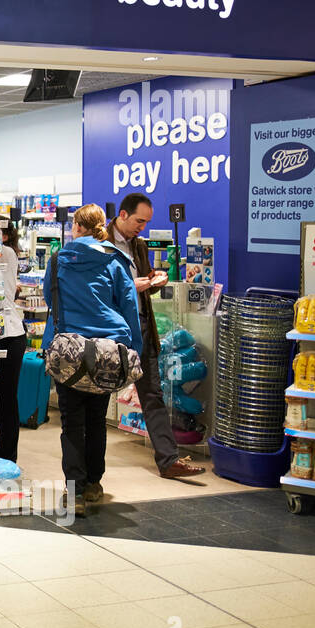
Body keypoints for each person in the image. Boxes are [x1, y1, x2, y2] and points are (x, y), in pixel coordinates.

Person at [42, 204, 145, 516]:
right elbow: (129, 307)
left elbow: (50, 297)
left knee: (71, 421)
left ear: (76, 227)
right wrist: (134, 349)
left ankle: (74, 491)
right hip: (107, 350)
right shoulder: (116, 260)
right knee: (96, 419)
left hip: (69, 350)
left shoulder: (59, 258)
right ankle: (93, 484)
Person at [107, 193, 206, 480]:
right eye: (139, 221)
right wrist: (130, 286)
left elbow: (142, 283)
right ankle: (89, 472)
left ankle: (169, 460)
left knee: (152, 395)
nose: (143, 227)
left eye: (147, 222)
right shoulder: (99, 243)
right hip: (112, 333)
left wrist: (154, 281)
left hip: (142, 328)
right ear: (122, 215)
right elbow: (99, 290)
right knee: (98, 398)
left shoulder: (139, 245)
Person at [0, 217, 27, 461]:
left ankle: (6, 454)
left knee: (6, 398)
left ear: (3, 237)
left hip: (9, 335)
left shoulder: (5, 253)